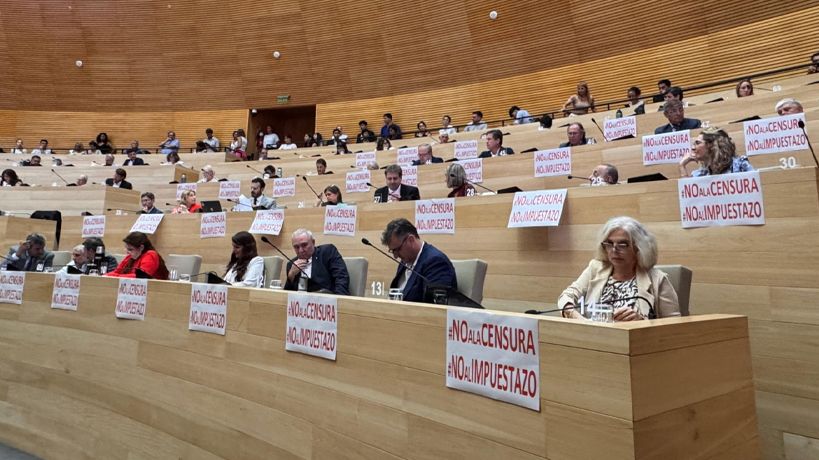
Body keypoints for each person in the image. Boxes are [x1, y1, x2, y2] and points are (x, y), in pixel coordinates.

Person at [558, 216, 680, 320]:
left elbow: (674, 327)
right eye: (609, 244)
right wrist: (575, 316)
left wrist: (642, 322)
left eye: (622, 244)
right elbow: (566, 296)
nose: (614, 250)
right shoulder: (595, 269)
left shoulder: (657, 279)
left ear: (639, 247)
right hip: (593, 341)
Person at [381, 218, 457, 303]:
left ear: (411, 240)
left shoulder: (436, 262)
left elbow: (435, 306)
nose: (395, 256)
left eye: (397, 250)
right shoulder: (405, 261)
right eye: (392, 251)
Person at [284, 228, 350, 294]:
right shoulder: (291, 265)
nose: (301, 250)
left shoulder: (327, 252)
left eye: (304, 245)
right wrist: (291, 275)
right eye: (296, 247)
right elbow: (286, 296)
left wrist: (338, 300)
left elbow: (341, 278)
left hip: (327, 300)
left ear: (313, 242)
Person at [678, 127, 754, 177]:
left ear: (712, 145)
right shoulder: (700, 174)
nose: (693, 148)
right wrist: (682, 166)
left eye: (697, 143)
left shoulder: (740, 165)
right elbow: (689, 199)